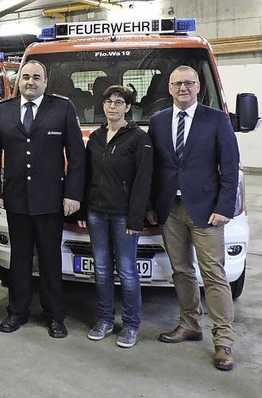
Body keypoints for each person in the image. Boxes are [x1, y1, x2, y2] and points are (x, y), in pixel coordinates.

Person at [147, 65, 240, 370]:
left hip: (206, 211)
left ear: (199, 87)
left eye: (189, 83)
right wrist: (151, 205)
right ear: (169, 88)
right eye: (177, 84)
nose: (183, 88)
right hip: (169, 210)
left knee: (213, 274)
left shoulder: (215, 120)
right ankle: (190, 324)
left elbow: (230, 165)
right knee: (181, 271)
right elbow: (154, 169)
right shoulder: (158, 122)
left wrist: (225, 207)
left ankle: (224, 342)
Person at [0, 60, 85, 338]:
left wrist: (73, 194)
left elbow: (77, 157)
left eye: (36, 77)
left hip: (51, 201)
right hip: (15, 200)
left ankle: (54, 316)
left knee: (51, 260)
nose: (30, 81)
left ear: (45, 82)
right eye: (26, 77)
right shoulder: (2, 111)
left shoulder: (62, 109)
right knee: (19, 260)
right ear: (20, 81)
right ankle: (17, 312)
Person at [77, 85, 152, 348]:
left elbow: (143, 181)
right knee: (101, 269)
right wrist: (84, 209)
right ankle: (106, 320)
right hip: (97, 213)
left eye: (119, 102)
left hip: (123, 217)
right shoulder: (96, 137)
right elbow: (87, 177)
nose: (113, 106)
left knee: (128, 270)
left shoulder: (138, 138)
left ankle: (131, 325)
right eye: (108, 101)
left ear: (128, 107)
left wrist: (135, 218)